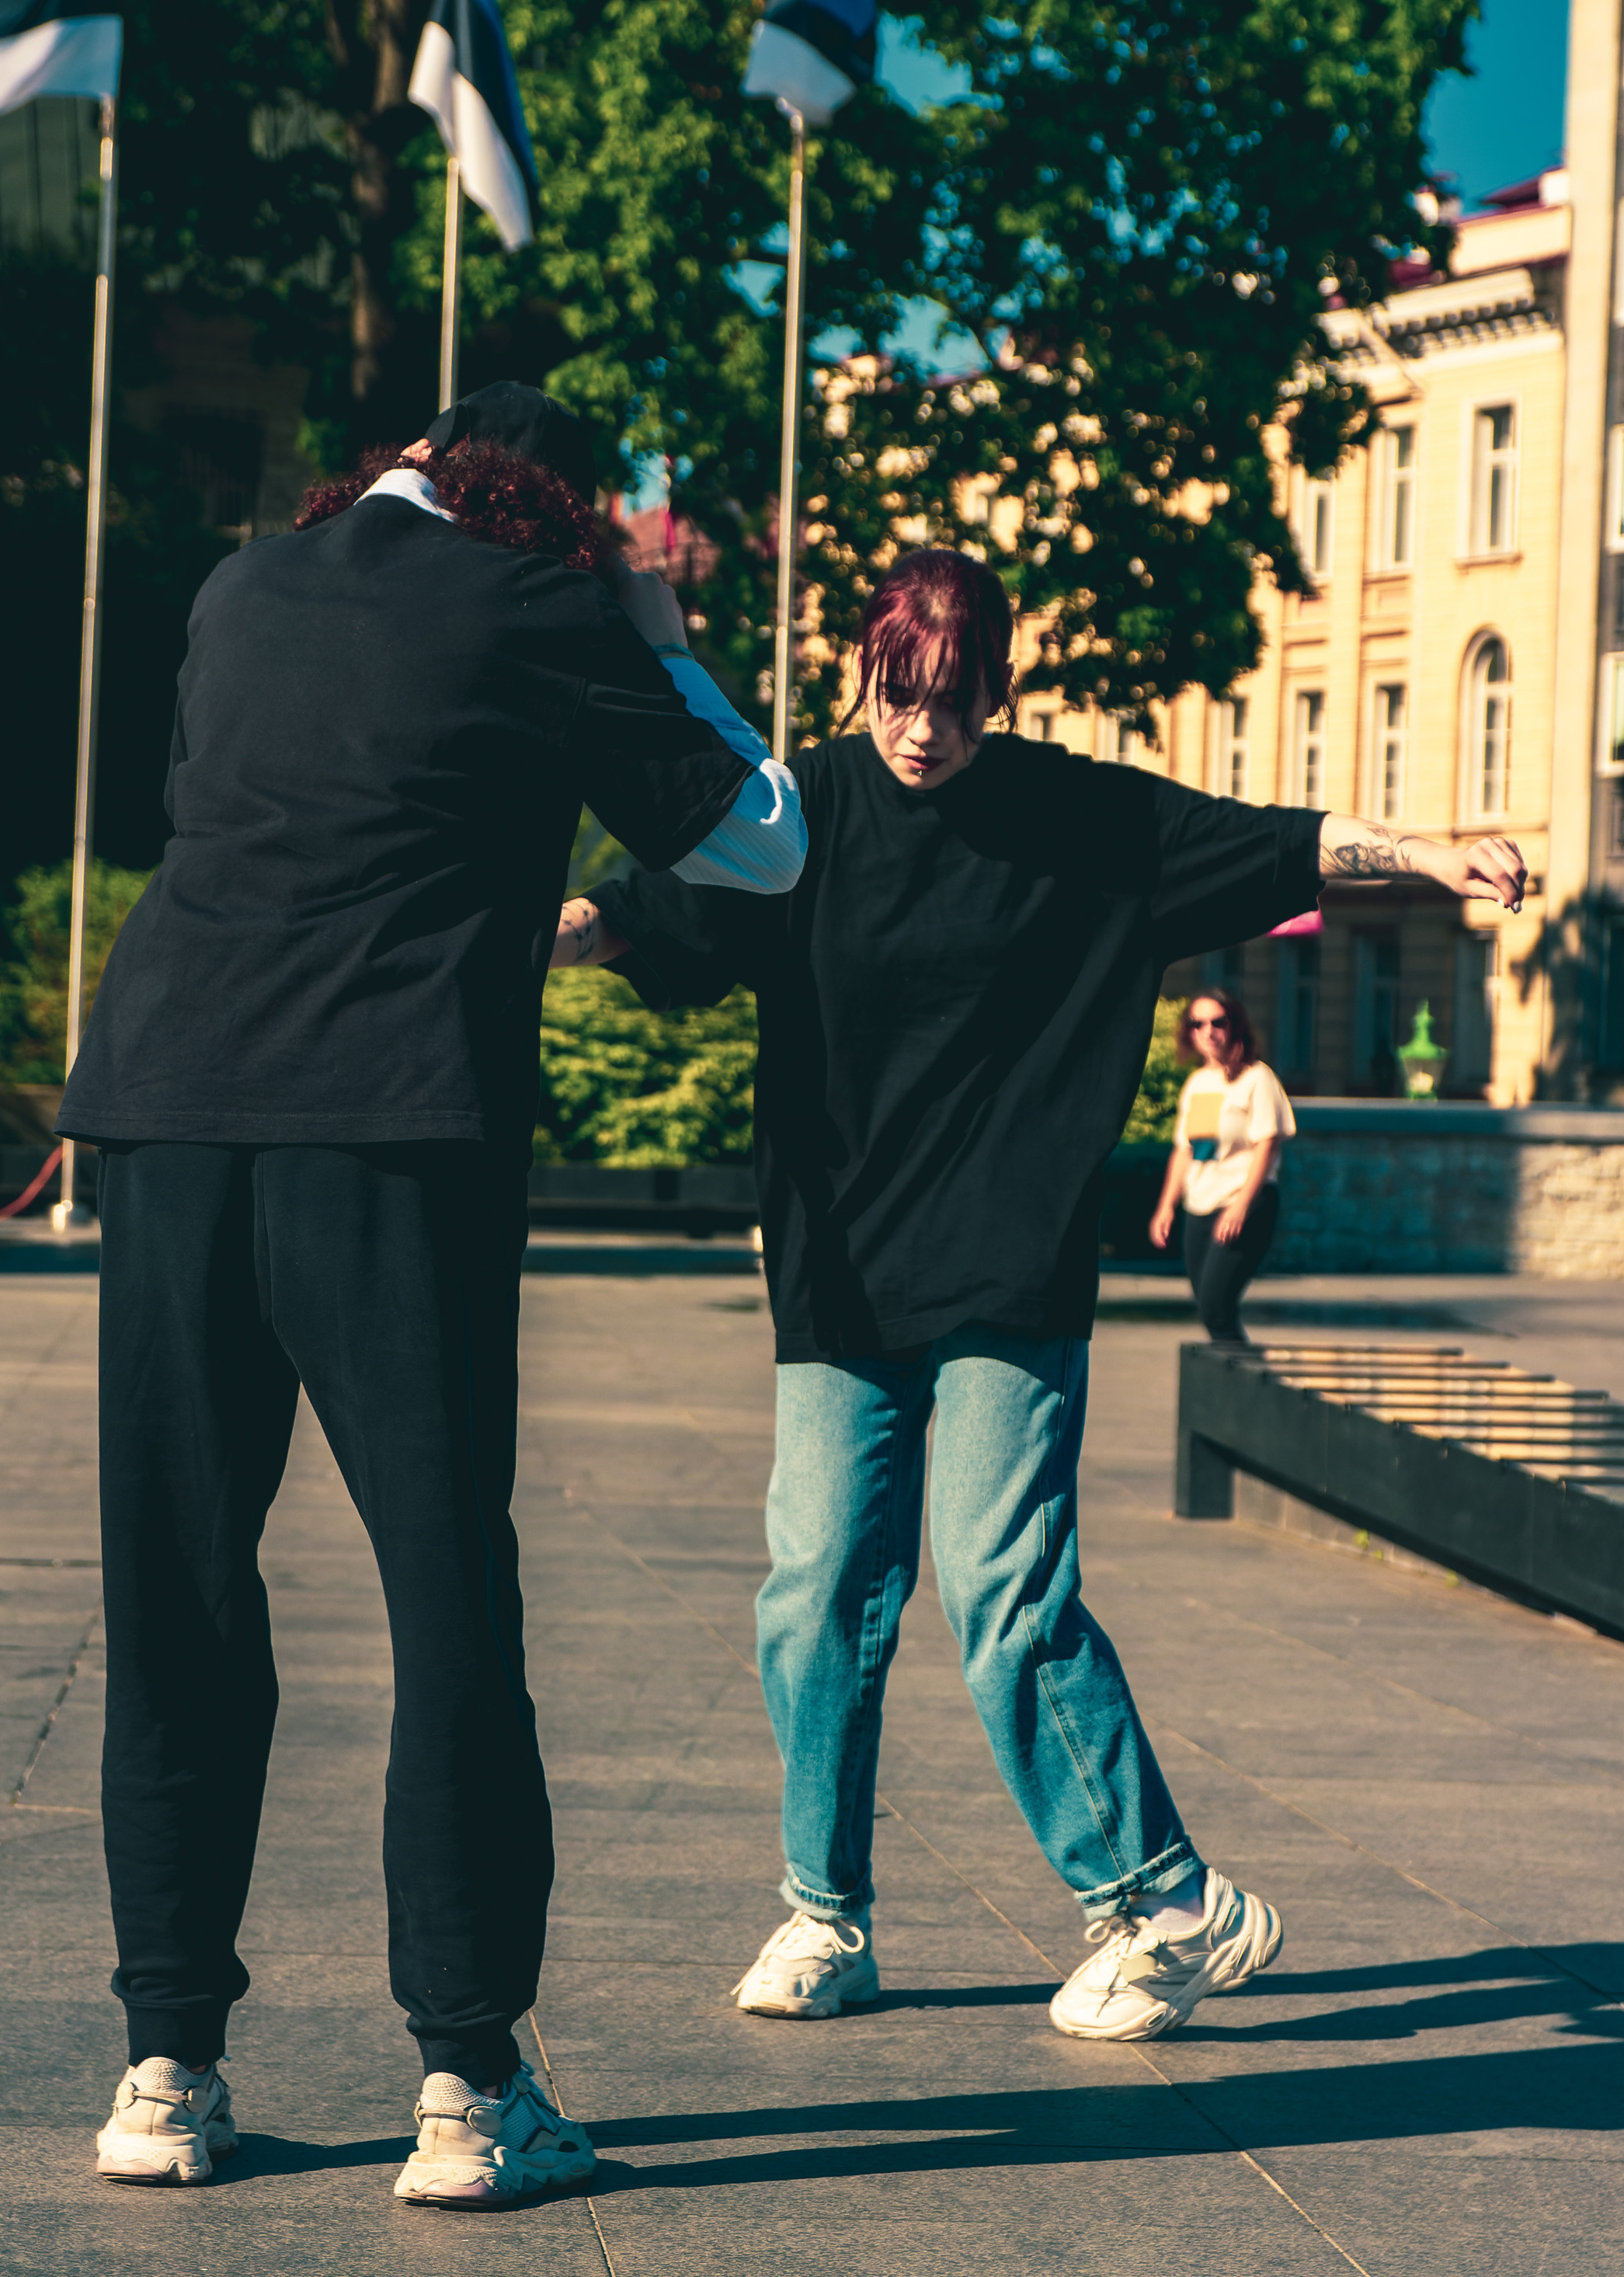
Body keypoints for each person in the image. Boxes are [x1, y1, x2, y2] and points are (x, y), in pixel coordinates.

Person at [551, 546, 1526, 2045]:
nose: (922, 730)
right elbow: (645, 912)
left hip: (1008, 1263)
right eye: (898, 695)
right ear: (860, 675)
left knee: (1002, 1589)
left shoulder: (1082, 815)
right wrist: (517, 937)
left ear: (998, 691)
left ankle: (1162, 1897)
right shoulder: (800, 817)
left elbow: (1276, 839)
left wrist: (1427, 852)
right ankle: (825, 1910)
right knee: (813, 1594)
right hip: (840, 1267)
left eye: (953, 700)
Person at [59, 382, 805, 2205]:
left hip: (162, 1114)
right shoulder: (542, 604)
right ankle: (470, 2090)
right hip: (388, 1135)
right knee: (447, 1604)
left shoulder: (243, 586)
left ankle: (167, 2071)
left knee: (176, 1590)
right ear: (551, 508)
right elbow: (764, 839)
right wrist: (664, 625)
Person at [1149, 989, 1295, 1342]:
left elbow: (1267, 1146)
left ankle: (1249, 1385)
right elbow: (1183, 1150)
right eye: (1198, 1024)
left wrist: (1241, 1207)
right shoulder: (1197, 1082)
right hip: (1200, 1203)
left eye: (1218, 1022)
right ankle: (1246, 1382)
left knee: (1216, 1304)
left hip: (1242, 1201)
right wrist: (1166, 1207)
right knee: (1209, 1307)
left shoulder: (1257, 1078)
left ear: (1235, 1025)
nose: (1208, 1032)